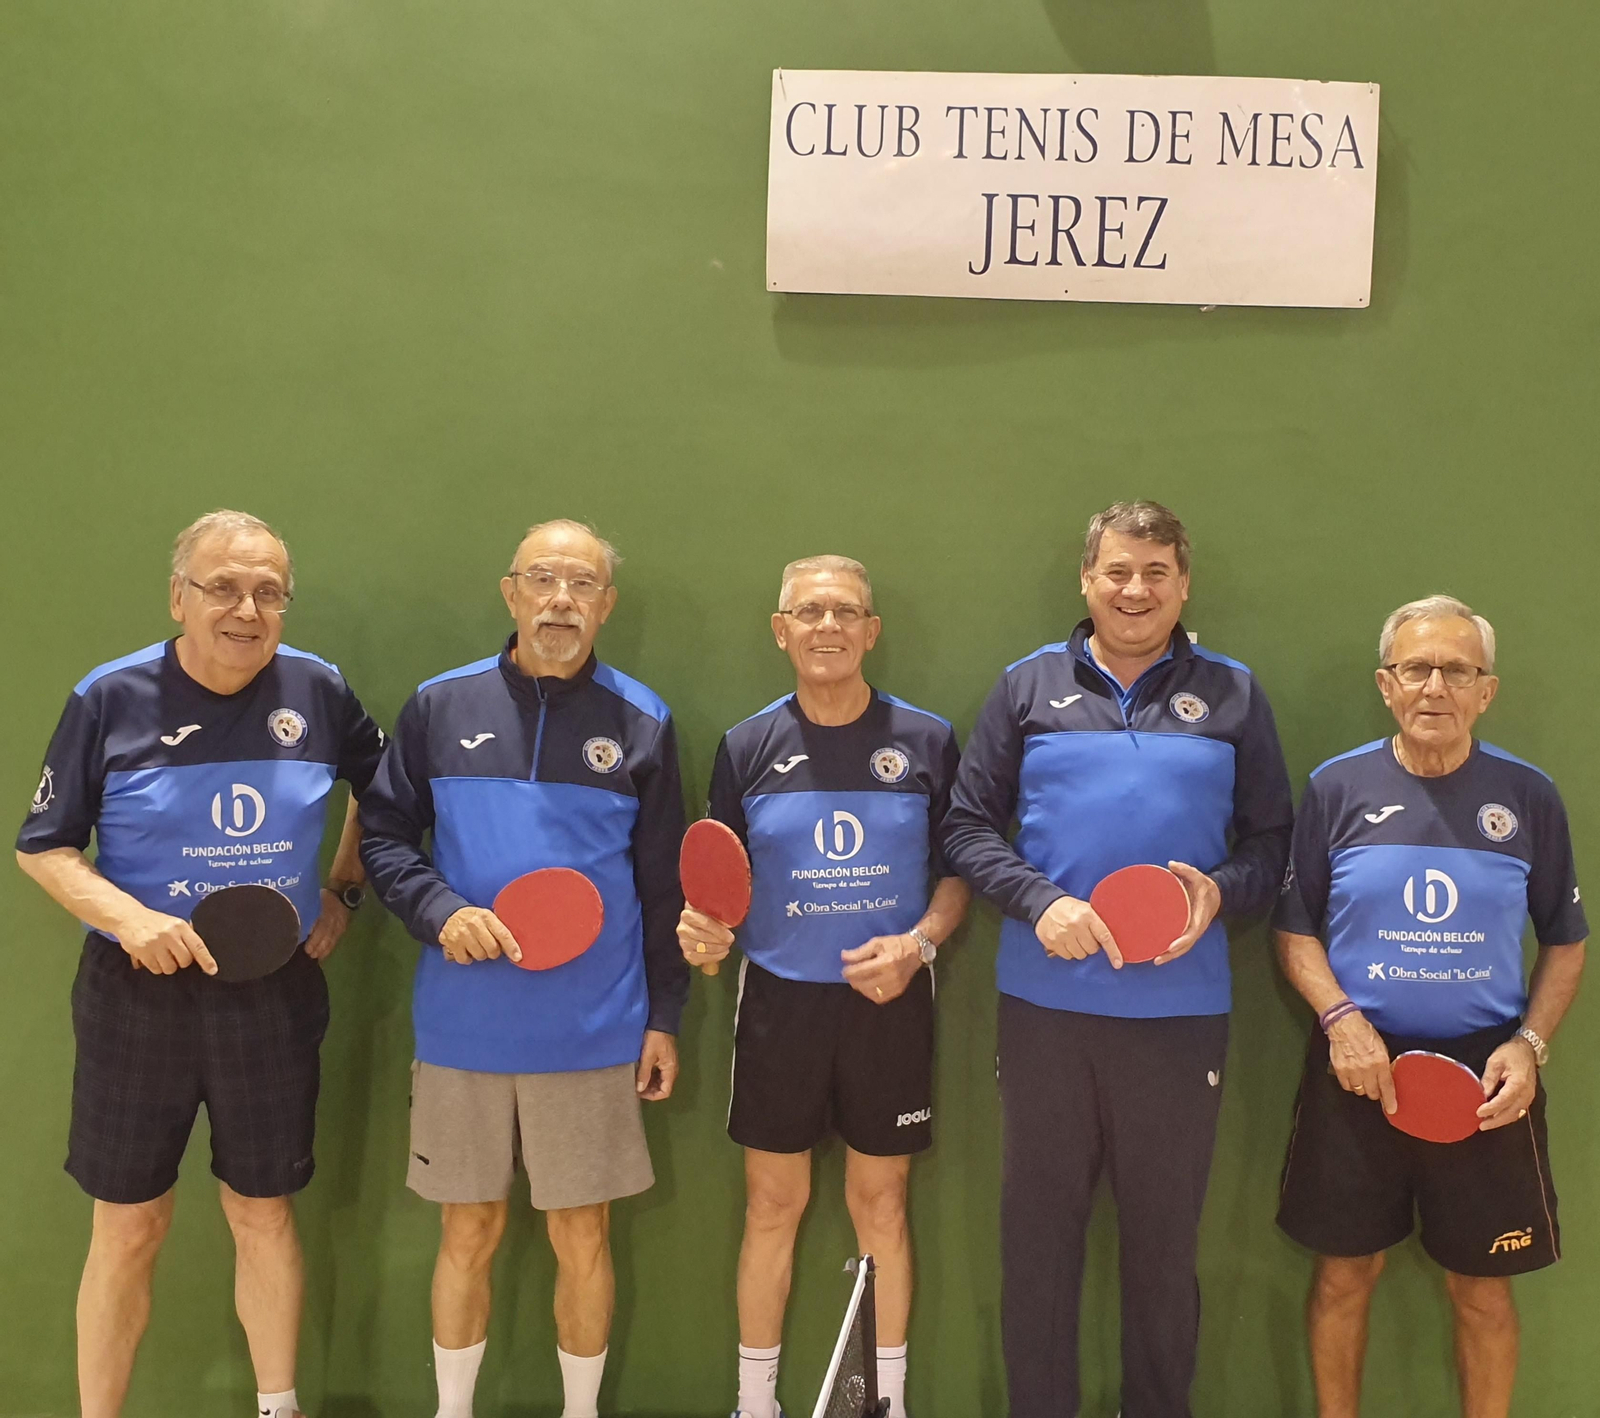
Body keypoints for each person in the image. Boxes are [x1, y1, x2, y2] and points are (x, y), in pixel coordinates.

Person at [14, 509, 382, 1418]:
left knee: (263, 1212)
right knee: (130, 1227)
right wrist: (131, 920)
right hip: (137, 998)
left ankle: (277, 1406)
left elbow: (388, 793)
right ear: (179, 596)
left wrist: (342, 891)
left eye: (267, 591)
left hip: (272, 995)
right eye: (223, 586)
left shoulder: (319, 690)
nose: (246, 608)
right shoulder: (110, 696)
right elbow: (44, 848)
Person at [941, 500, 1293, 1418]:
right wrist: (1040, 899)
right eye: (1117, 572)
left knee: (1164, 1252)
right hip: (1045, 1014)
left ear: (1184, 584)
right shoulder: (1025, 688)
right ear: (1087, 580)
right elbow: (966, 826)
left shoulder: (1234, 695)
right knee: (1039, 1245)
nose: (1135, 591)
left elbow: (1272, 842)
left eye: (1156, 573)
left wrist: (1222, 890)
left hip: (1181, 1023)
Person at [358, 518, 686, 1418]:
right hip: (464, 1027)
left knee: (583, 1231)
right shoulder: (439, 706)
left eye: (582, 585)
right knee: (468, 1227)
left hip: (592, 1031)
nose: (562, 601)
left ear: (607, 606)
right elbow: (384, 838)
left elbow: (664, 889)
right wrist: (439, 911)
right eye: (543, 579)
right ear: (511, 592)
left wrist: (665, 1017)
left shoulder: (645, 722)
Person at [1273, 594, 1586, 1418]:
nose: (1435, 686)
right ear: (1386, 684)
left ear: (1487, 690)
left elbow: (1566, 940)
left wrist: (1530, 1046)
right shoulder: (1336, 789)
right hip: (1356, 1067)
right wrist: (1341, 1021)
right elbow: (1295, 932)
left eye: (1457, 669)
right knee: (1345, 1276)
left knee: (1481, 1292)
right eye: (1416, 668)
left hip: (1486, 1078)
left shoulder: (1528, 797)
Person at [677, 554, 969, 1418]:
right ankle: (754, 1403)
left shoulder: (925, 740)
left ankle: (887, 1402)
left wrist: (918, 944)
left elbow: (958, 874)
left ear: (872, 630)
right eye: (809, 612)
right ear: (781, 631)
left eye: (846, 612)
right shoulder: (745, 745)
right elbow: (715, 886)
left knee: (881, 1201)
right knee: (773, 1204)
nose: (829, 627)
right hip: (779, 1006)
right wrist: (704, 933)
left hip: (890, 1006)